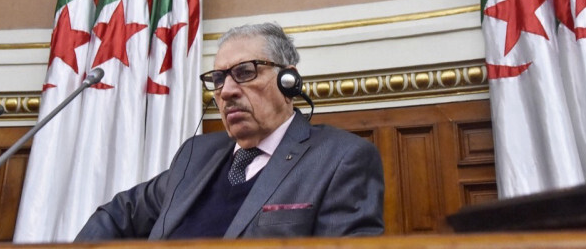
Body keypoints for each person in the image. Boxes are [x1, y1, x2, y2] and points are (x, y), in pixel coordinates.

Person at [75, 22, 384, 240]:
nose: (226, 91)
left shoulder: (341, 158)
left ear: (288, 81)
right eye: (219, 78)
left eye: (245, 72)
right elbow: (119, 213)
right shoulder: (195, 155)